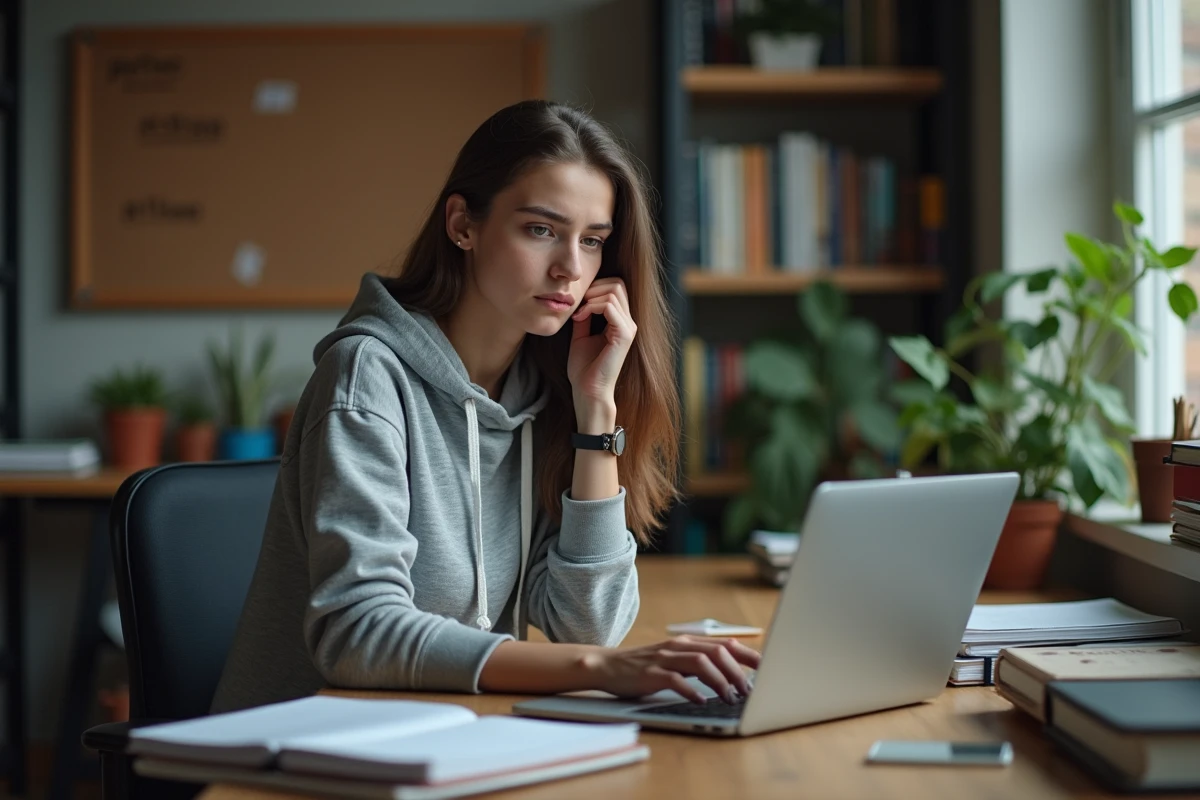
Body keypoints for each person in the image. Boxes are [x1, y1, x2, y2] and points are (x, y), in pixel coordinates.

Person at [212, 100, 759, 714]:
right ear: (462, 225)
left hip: (458, 735)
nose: (570, 269)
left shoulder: (548, 389)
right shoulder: (369, 377)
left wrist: (597, 413)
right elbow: (356, 633)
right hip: (307, 750)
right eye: (541, 230)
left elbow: (590, 626)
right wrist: (602, 669)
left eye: (593, 241)